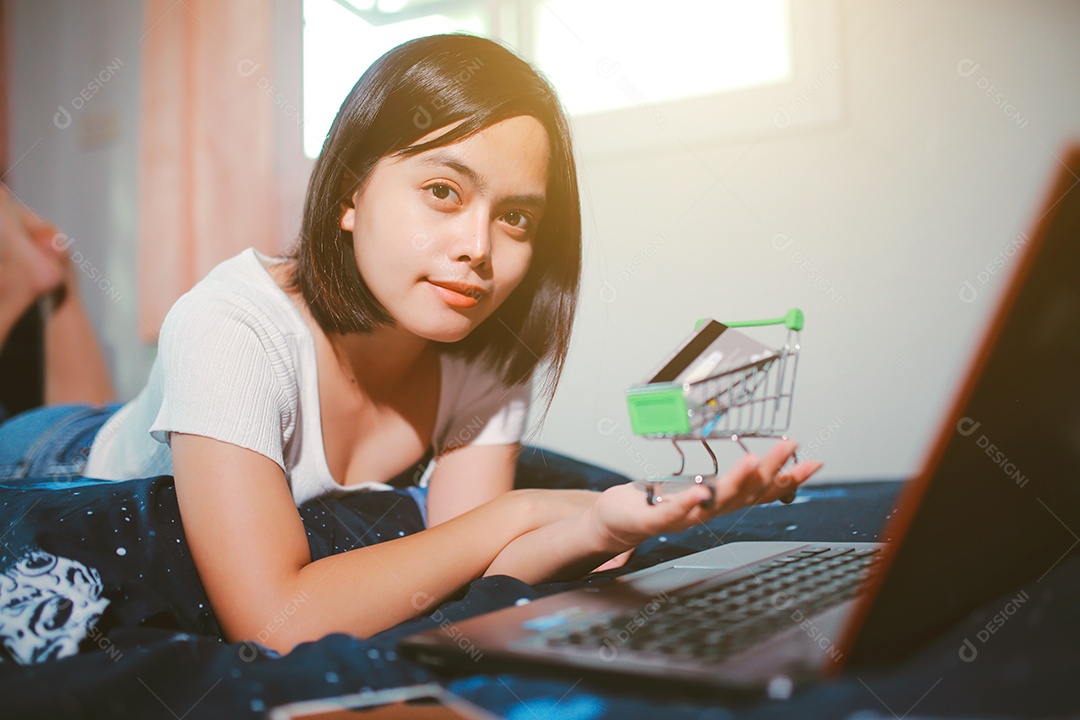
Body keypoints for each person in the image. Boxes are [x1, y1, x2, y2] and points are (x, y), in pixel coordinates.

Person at [0, 34, 822, 654]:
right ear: (352, 193)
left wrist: (604, 524)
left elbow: (465, 558)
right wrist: (529, 507)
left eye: (516, 217)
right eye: (441, 191)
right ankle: (39, 270)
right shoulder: (227, 323)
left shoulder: (485, 350)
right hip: (60, 458)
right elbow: (277, 620)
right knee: (44, 416)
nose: (480, 249)